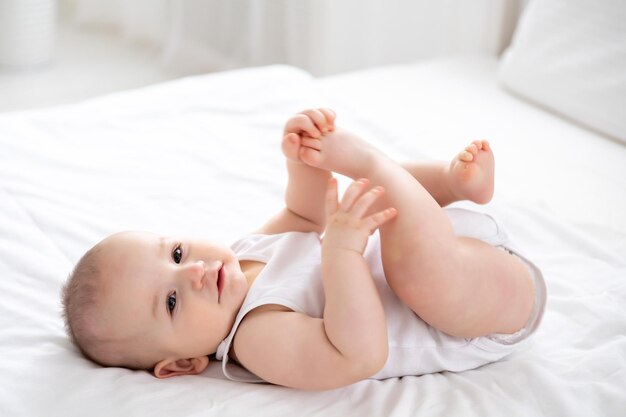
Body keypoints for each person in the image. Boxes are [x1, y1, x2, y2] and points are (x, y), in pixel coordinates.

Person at [62, 108, 546, 390]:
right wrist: (340, 256)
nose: (192, 273)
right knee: (407, 265)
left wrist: (302, 160)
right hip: (471, 315)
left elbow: (305, 216)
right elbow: (360, 354)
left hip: (446, 242)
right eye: (170, 302)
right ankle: (380, 164)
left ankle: (449, 182)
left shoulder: (245, 252)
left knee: (363, 206)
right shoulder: (254, 338)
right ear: (182, 364)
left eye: (175, 255)